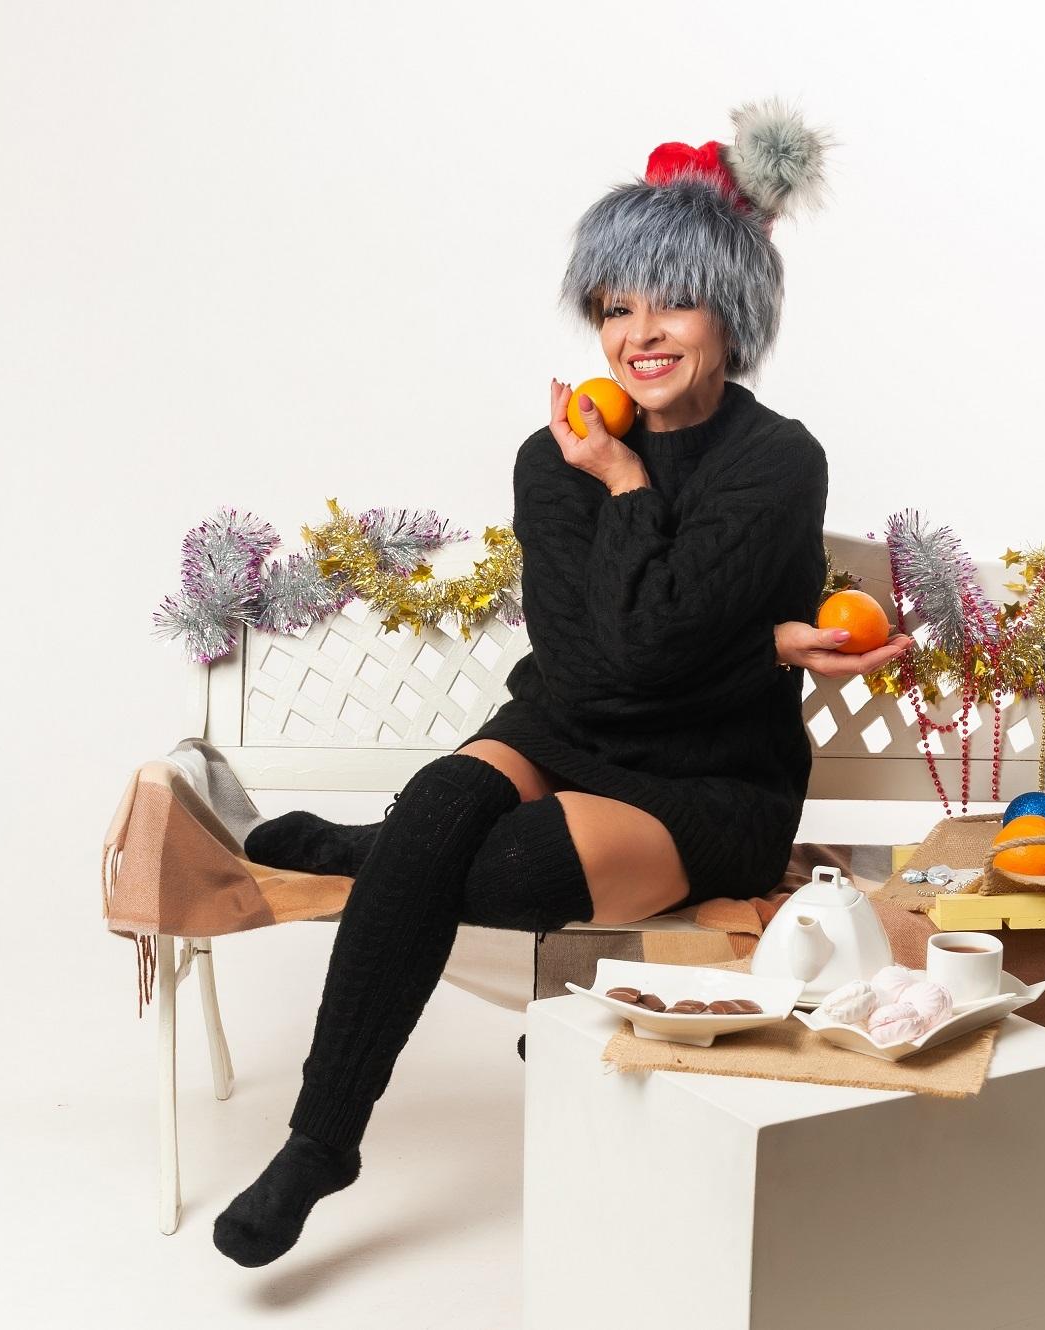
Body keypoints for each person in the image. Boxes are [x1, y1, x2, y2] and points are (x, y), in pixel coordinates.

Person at [212, 97, 913, 1268]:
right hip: (564, 723)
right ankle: (318, 1142)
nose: (638, 333)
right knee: (444, 805)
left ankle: (365, 852)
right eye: (613, 306)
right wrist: (752, 640)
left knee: (482, 859)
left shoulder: (774, 461)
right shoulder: (551, 458)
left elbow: (646, 649)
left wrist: (628, 486)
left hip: (708, 779)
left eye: (670, 300)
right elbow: (591, 665)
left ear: (731, 309)